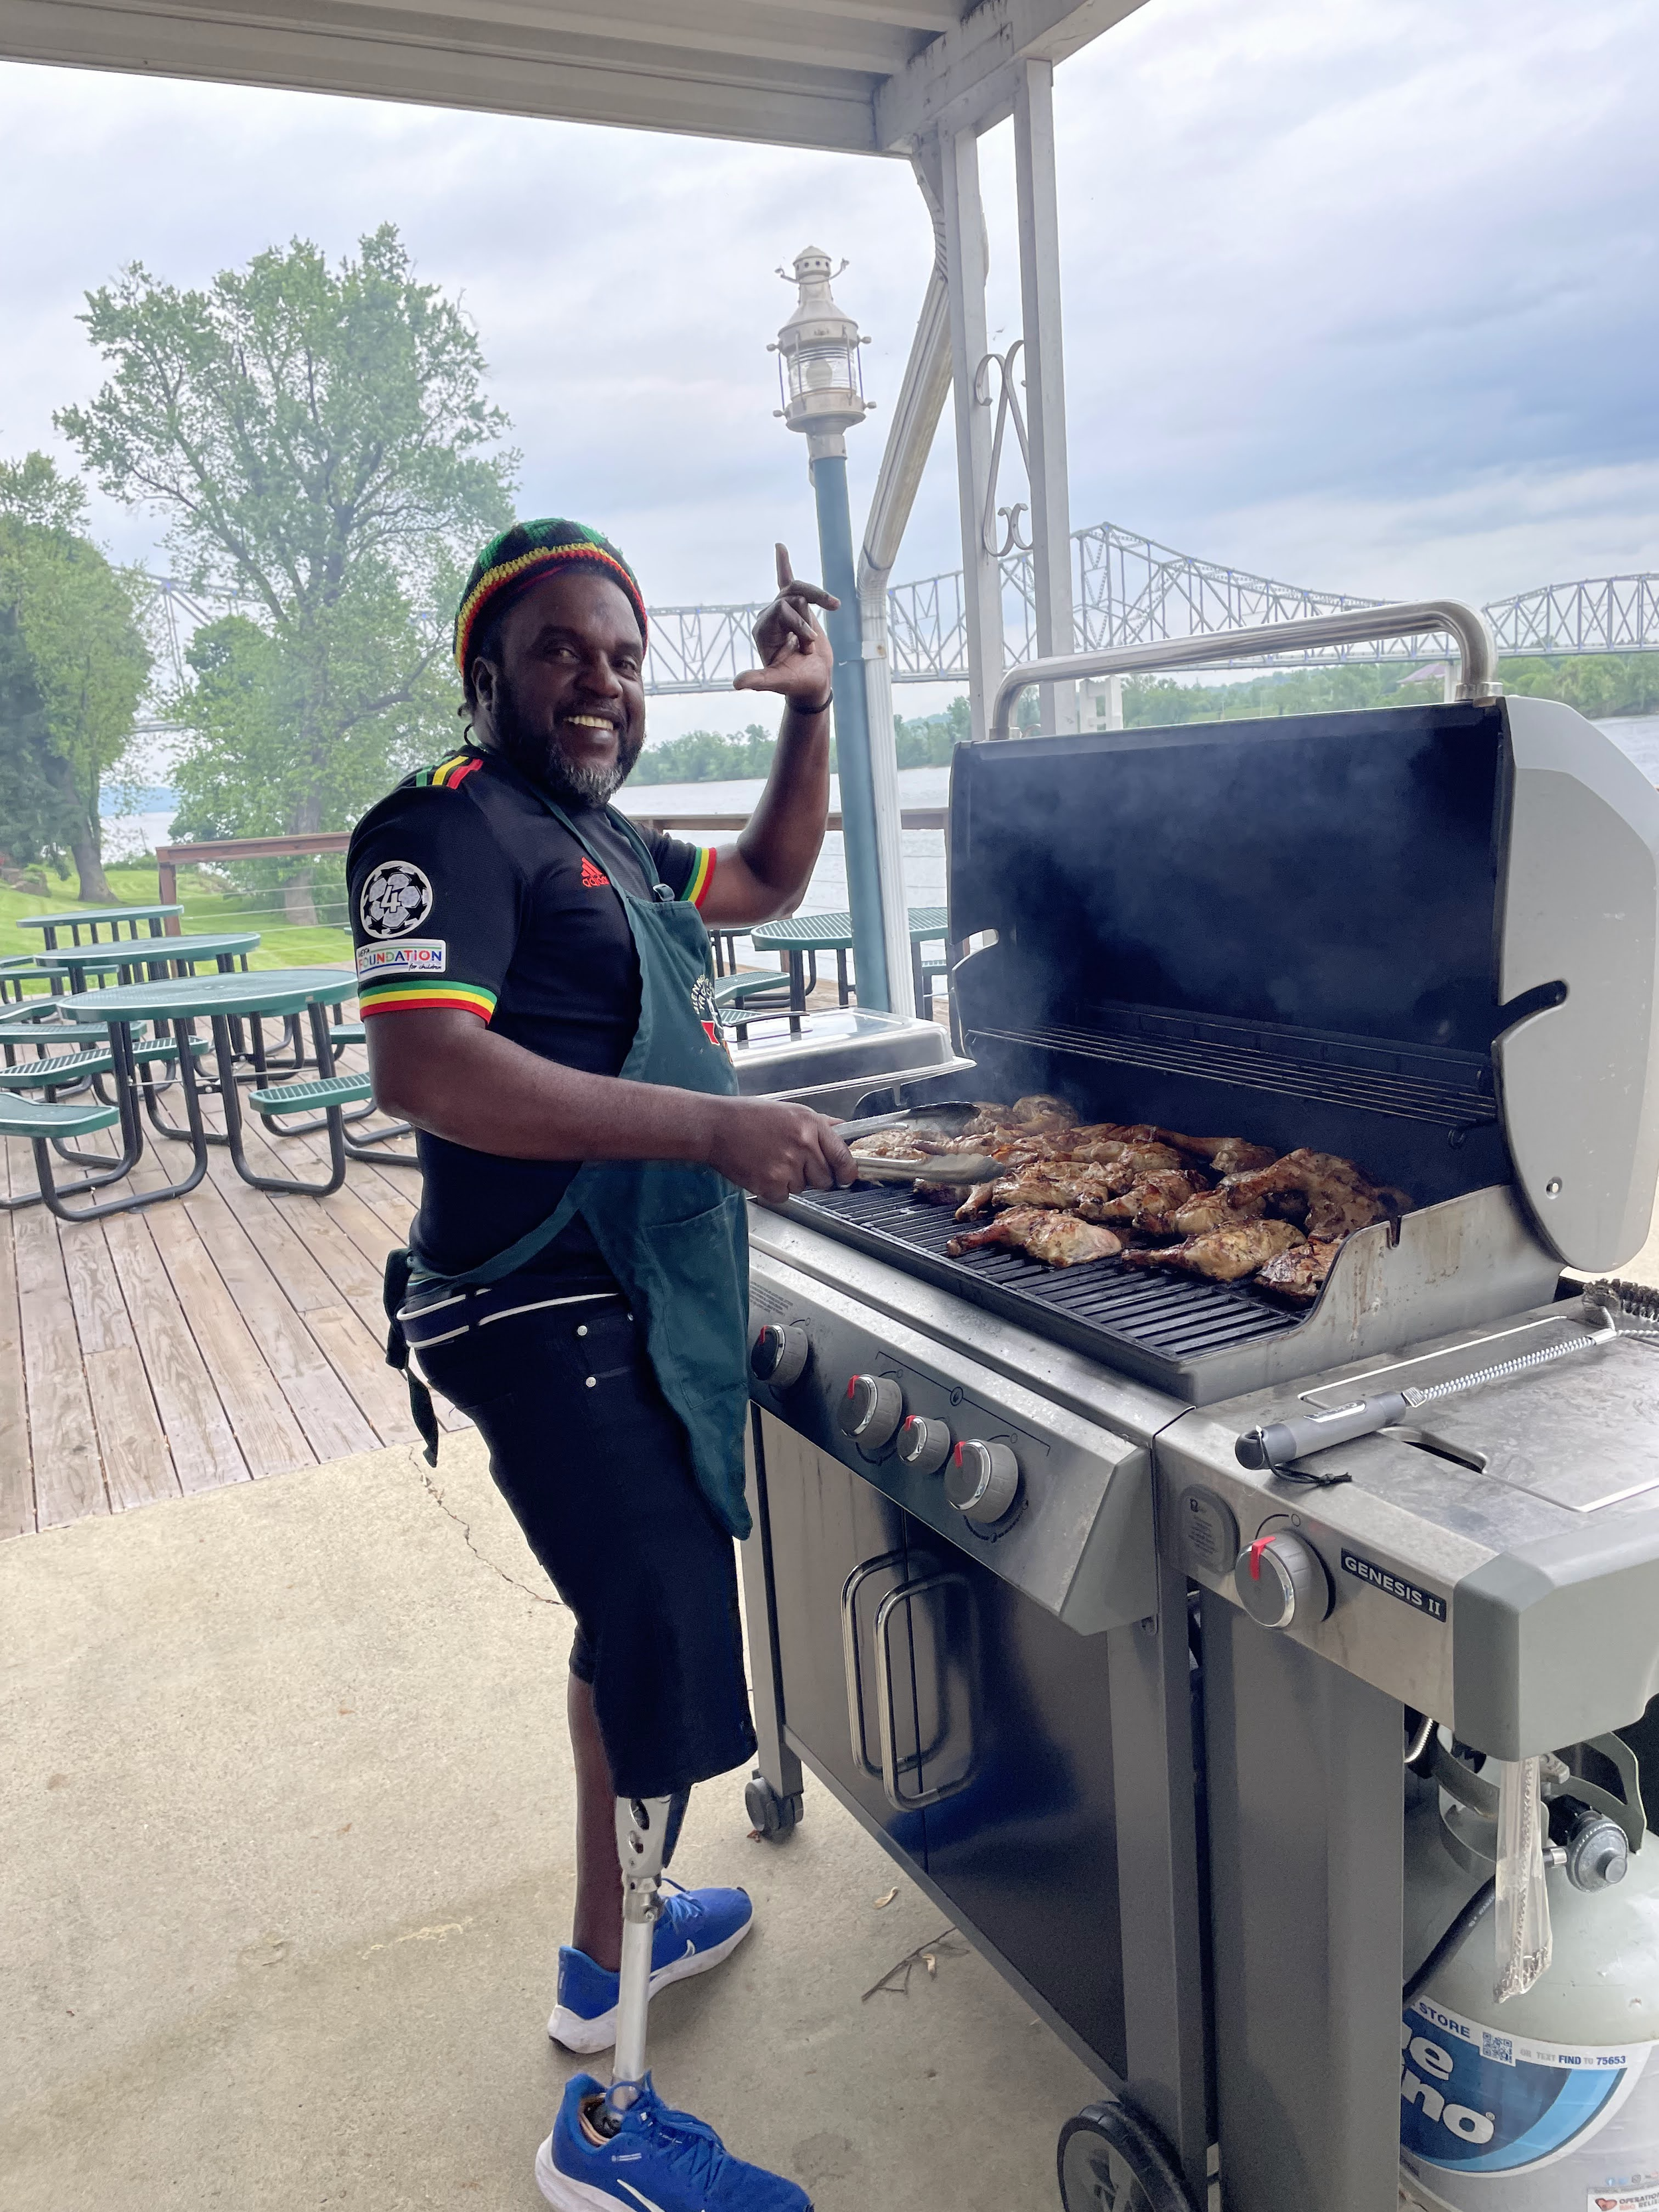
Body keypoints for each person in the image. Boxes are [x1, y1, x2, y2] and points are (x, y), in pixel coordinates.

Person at [348, 517, 856, 2212]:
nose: (601, 682)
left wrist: (807, 706)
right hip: (528, 1305)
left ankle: (596, 1966)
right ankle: (611, 2130)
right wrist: (714, 1126)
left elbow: (773, 883)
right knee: (657, 1643)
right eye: (565, 649)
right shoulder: (441, 827)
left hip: (622, 1299)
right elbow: (431, 1073)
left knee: (614, 1635)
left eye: (625, 658)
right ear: (485, 667)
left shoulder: (610, 839)